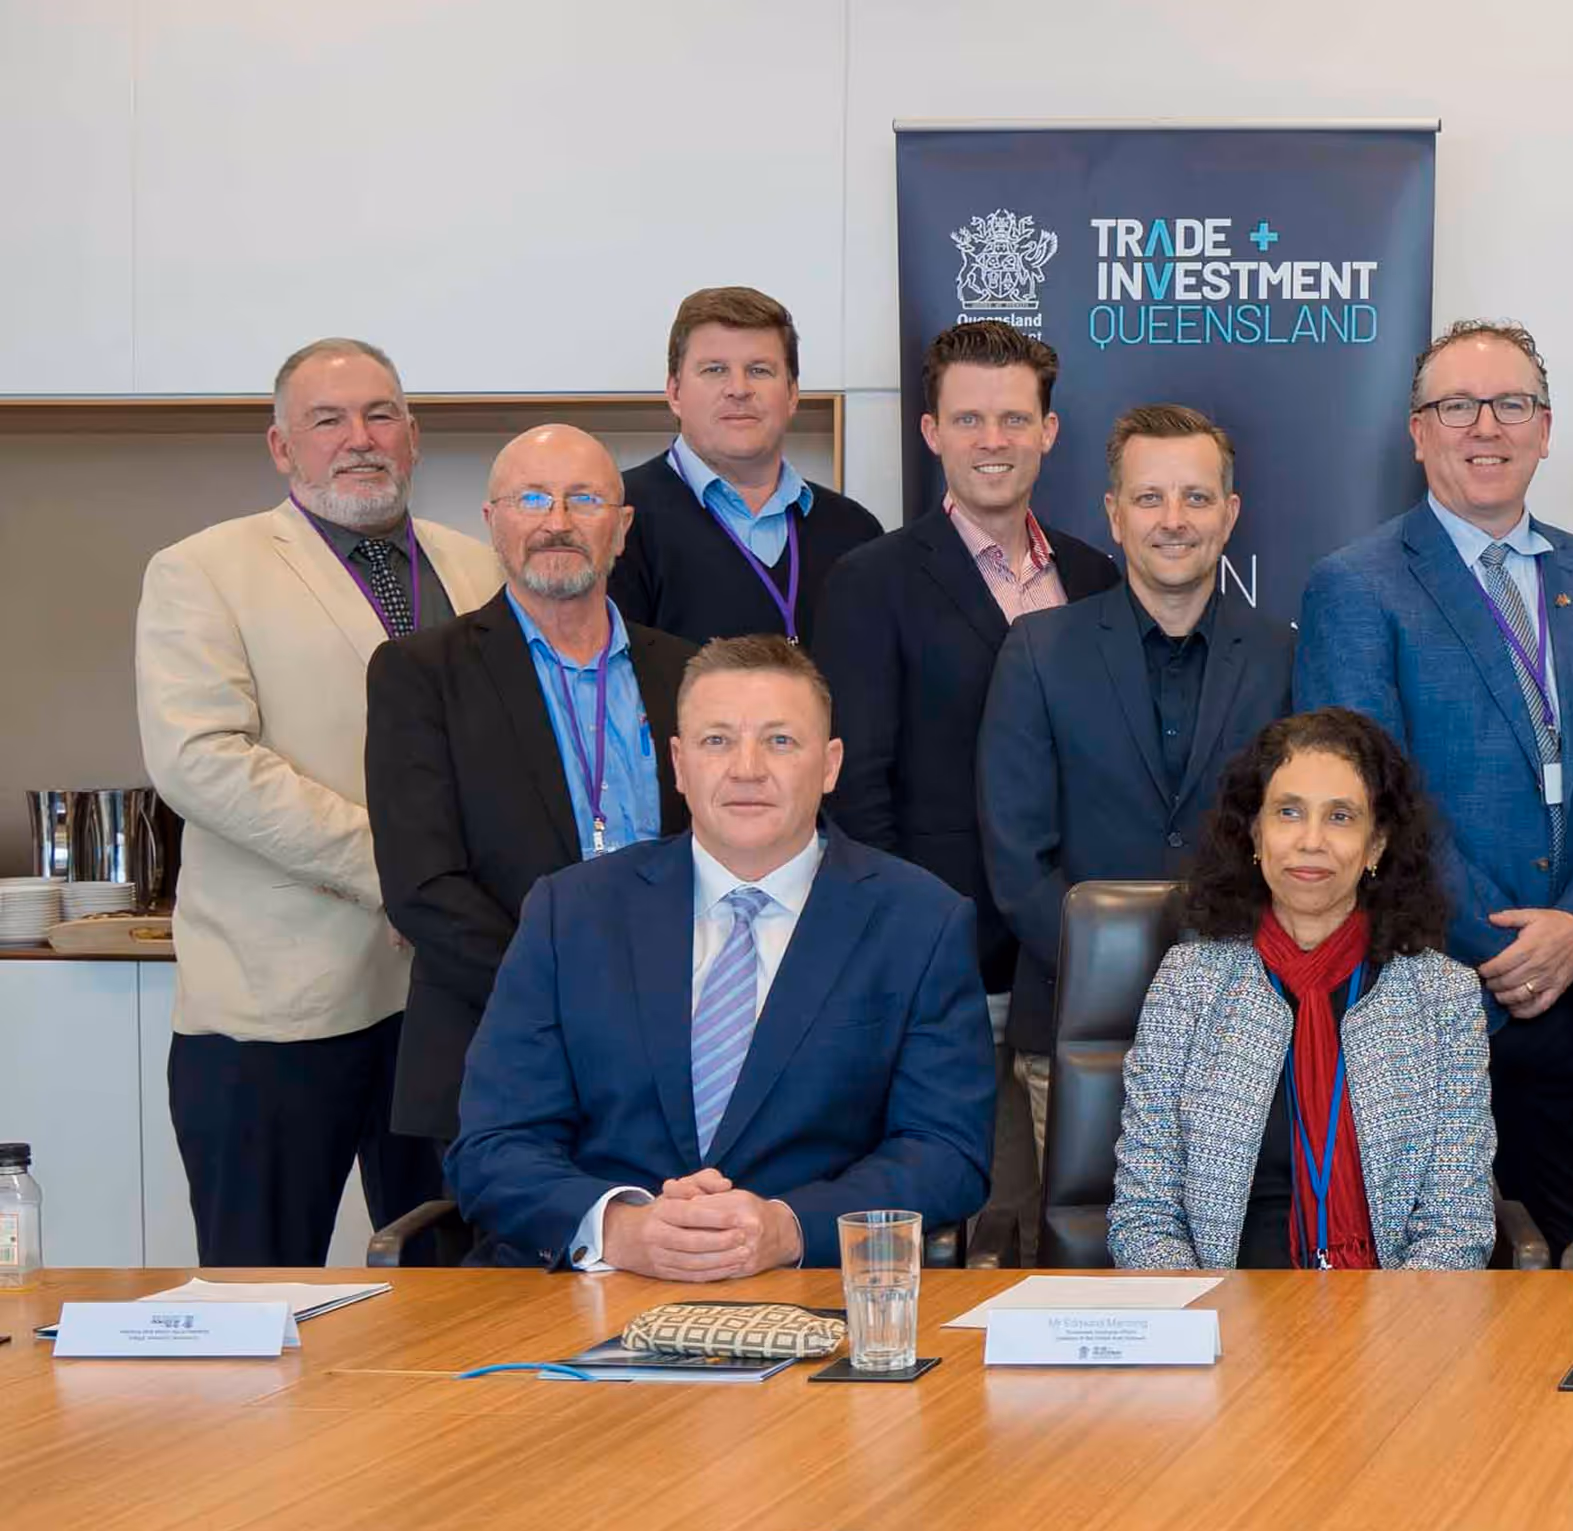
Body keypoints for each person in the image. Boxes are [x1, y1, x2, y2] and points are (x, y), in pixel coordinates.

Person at [446, 636, 994, 1277]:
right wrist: (619, 1229)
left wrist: (789, 1228)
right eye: (717, 741)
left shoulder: (920, 922)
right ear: (678, 765)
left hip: (811, 1297)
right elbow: (493, 1145)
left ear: (830, 765)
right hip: (590, 1295)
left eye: (780, 741)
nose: (747, 769)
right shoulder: (571, 912)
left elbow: (946, 1152)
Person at [134, 337, 498, 1265]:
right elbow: (200, 759)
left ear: (413, 436)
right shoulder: (202, 570)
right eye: (327, 420)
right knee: (261, 1288)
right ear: (282, 446)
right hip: (276, 1011)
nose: (359, 438)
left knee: (457, 1291)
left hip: (451, 1004)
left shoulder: (480, 567)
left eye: (380, 415)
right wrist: (400, 873)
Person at [1295, 320, 1573, 1226]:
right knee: (1437, 1278)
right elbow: (1365, 798)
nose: (1486, 427)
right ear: (1418, 432)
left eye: (1511, 405)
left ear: (1545, 429)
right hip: (1434, 990)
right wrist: (1501, 945)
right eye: (1457, 406)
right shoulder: (1357, 584)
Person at [368, 425, 700, 1149]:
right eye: (532, 499)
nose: (557, 522)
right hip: (497, 1051)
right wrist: (572, 995)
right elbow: (422, 886)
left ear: (622, 528)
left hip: (677, 1052)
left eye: (584, 499)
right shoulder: (421, 673)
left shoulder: (690, 673)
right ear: (493, 523)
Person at [1108, 710, 1497, 1270]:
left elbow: (1457, 1227)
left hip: (1392, 1313)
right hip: (1224, 1310)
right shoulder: (1189, 985)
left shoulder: (1442, 997)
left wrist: (1389, 1323)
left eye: (1340, 817)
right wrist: (1210, 1316)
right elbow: (1145, 1218)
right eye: (1288, 812)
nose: (1311, 841)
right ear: (1256, 835)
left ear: (1376, 845)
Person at [819, 321, 1123, 1036]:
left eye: (1014, 419)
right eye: (968, 420)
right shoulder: (870, 581)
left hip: (1084, 958)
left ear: (1048, 431)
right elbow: (856, 790)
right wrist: (904, 940)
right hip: (944, 964)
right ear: (932, 432)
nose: (993, 440)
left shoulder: (1094, 576)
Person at [984, 403, 1295, 1086]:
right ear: (1115, 515)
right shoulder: (1039, 651)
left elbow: (1299, 844)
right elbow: (1017, 860)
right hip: (1075, 1028)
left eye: (1196, 498)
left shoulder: (1284, 657)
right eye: (1149, 498)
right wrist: (1118, 972)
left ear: (1230, 514)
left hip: (1246, 1031)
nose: (1173, 520)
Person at [607, 287, 887, 643]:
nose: (738, 389)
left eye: (759, 370)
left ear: (792, 394)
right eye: (715, 370)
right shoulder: (615, 520)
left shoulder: (855, 531)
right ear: (675, 393)